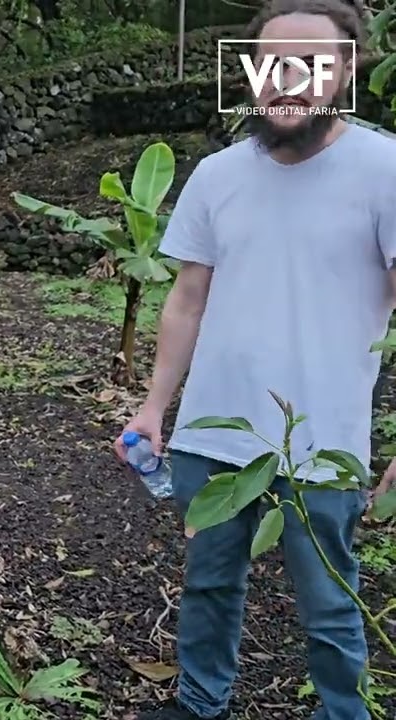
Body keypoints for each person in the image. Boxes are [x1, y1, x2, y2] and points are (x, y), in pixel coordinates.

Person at [115, 1, 396, 718]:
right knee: (208, 581)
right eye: (274, 61)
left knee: (330, 599)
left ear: (347, 70)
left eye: (315, 61)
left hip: (323, 437)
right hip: (215, 429)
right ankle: (199, 702)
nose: (291, 77)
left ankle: (345, 710)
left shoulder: (384, 168)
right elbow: (186, 299)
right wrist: (154, 407)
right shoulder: (215, 175)